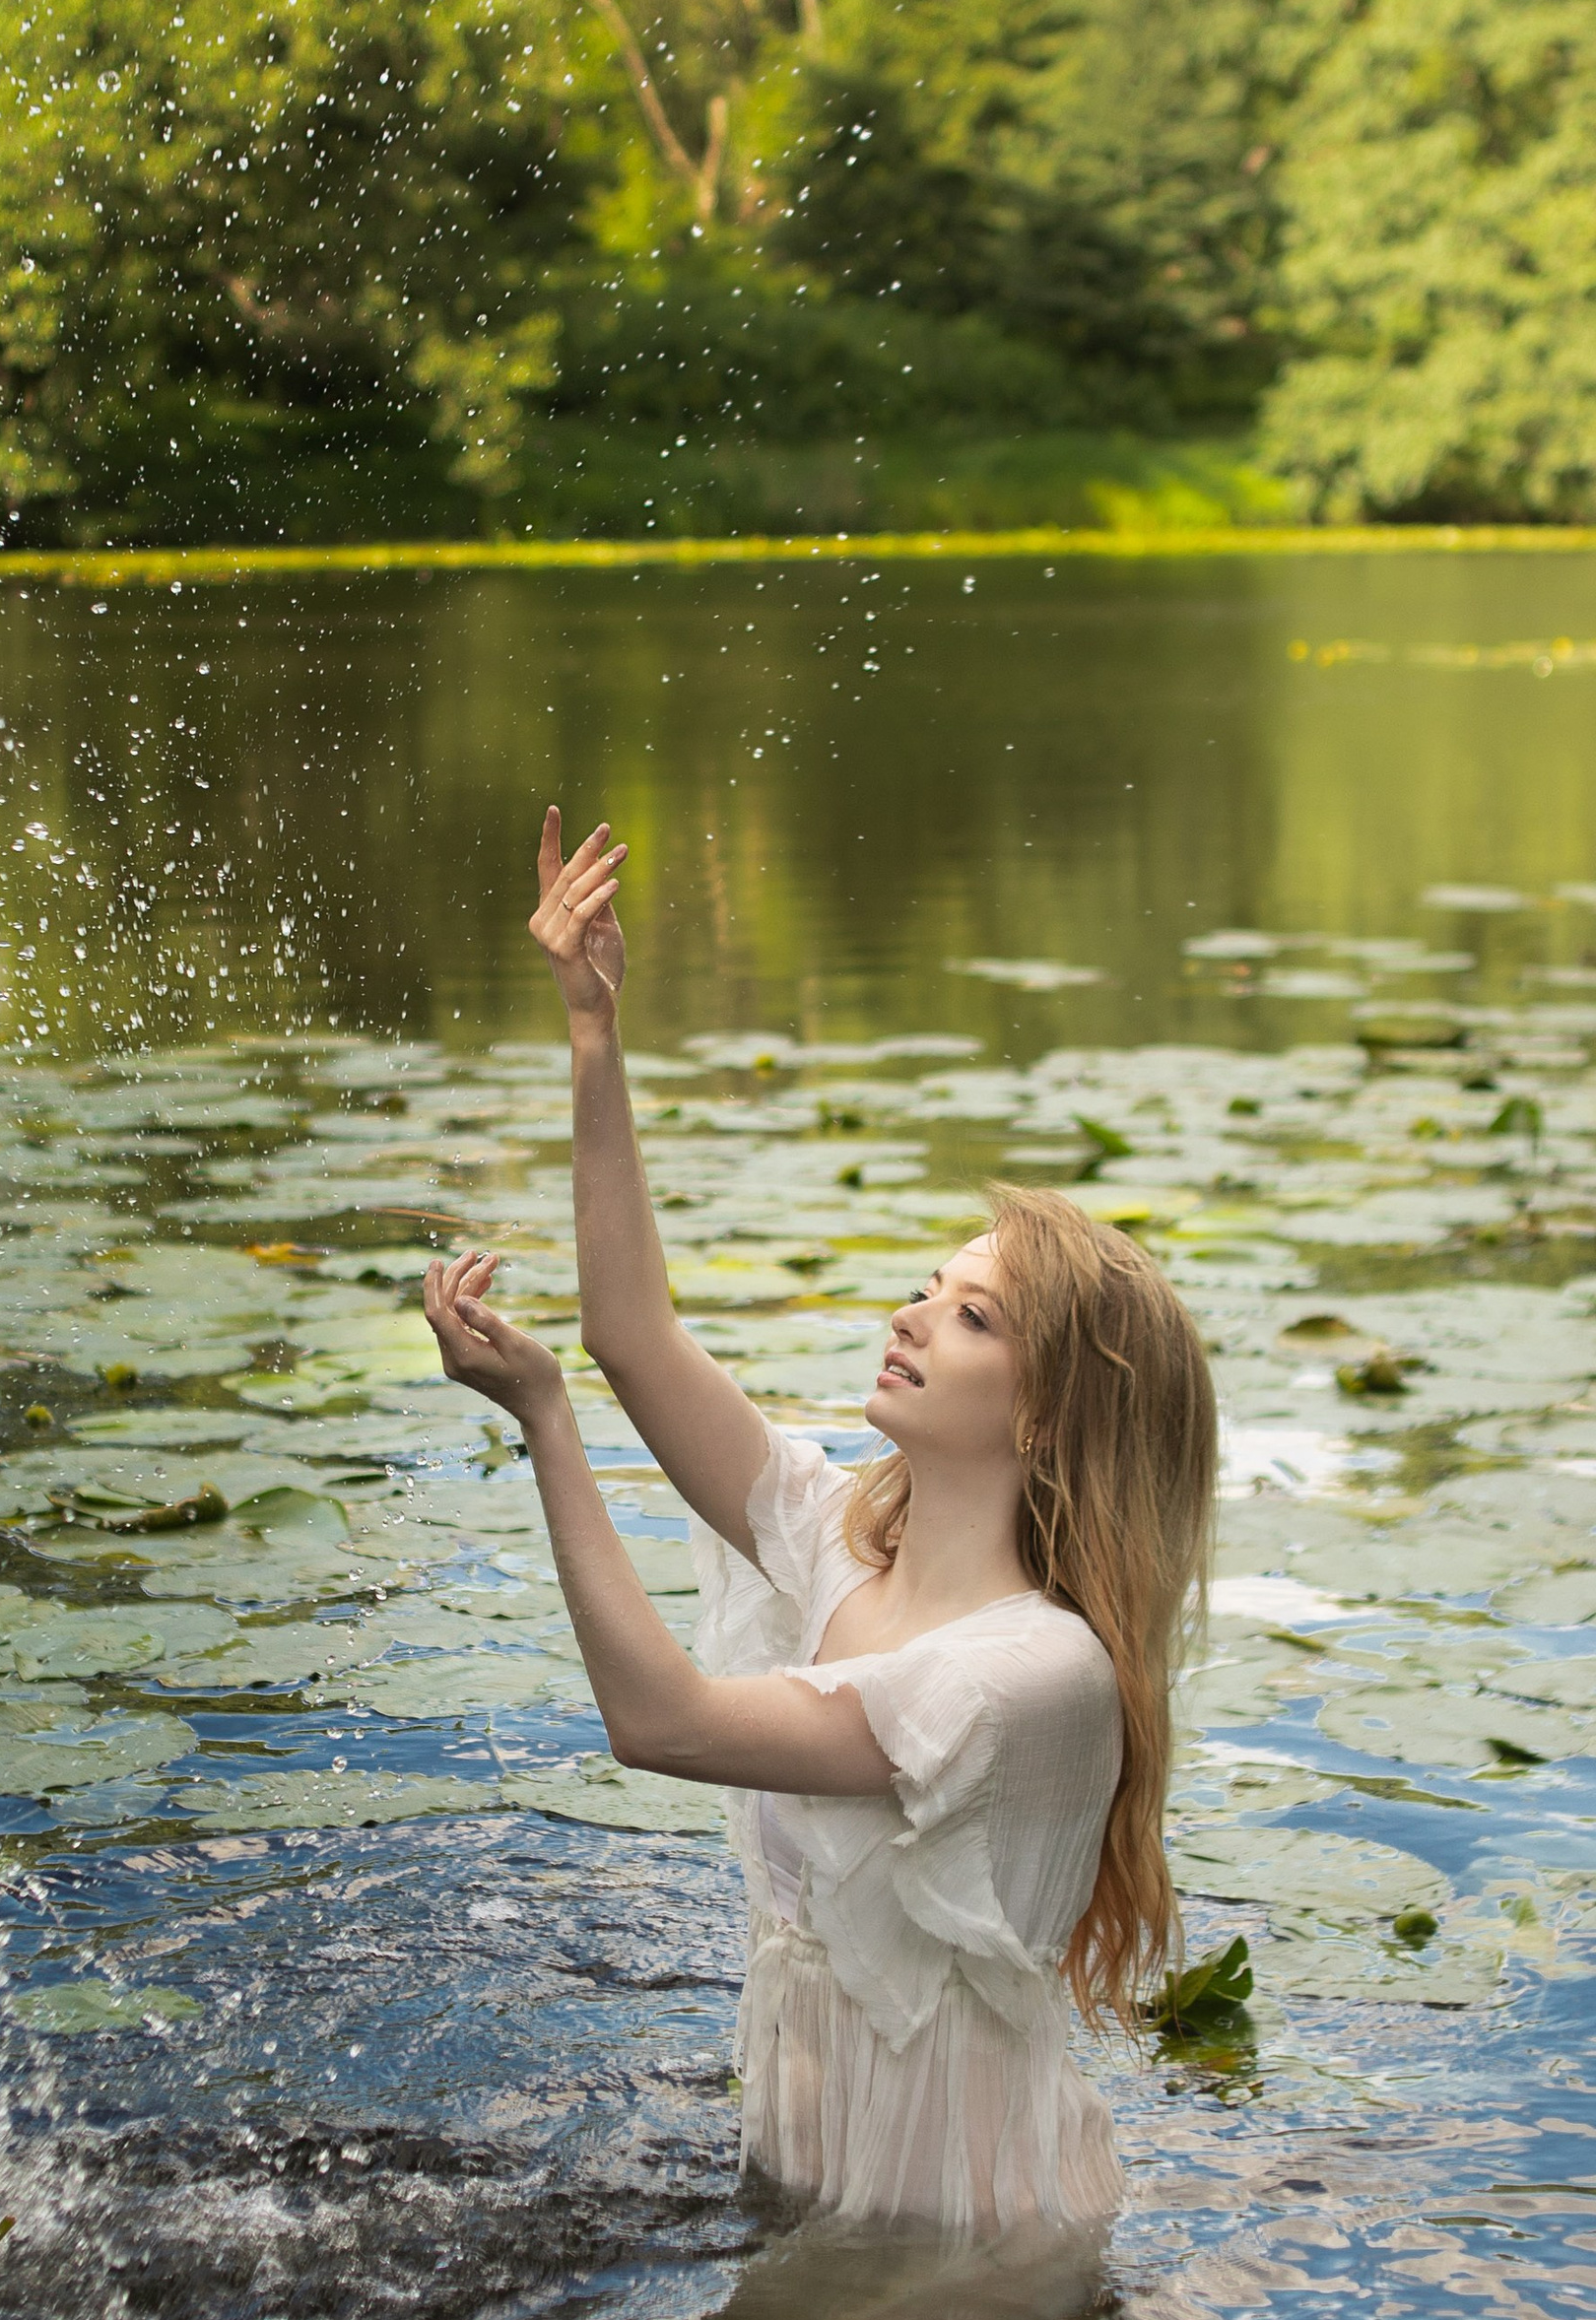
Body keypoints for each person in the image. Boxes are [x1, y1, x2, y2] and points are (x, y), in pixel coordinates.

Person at [423, 810, 1219, 2238]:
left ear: (1047, 1420)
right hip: (817, 2184)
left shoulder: (1034, 1672)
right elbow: (633, 1334)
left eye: (974, 1315)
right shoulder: (843, 1537)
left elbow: (658, 1720)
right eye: (932, 1284)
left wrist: (545, 1426)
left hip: (969, 2253)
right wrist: (593, 1039)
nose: (914, 1313)